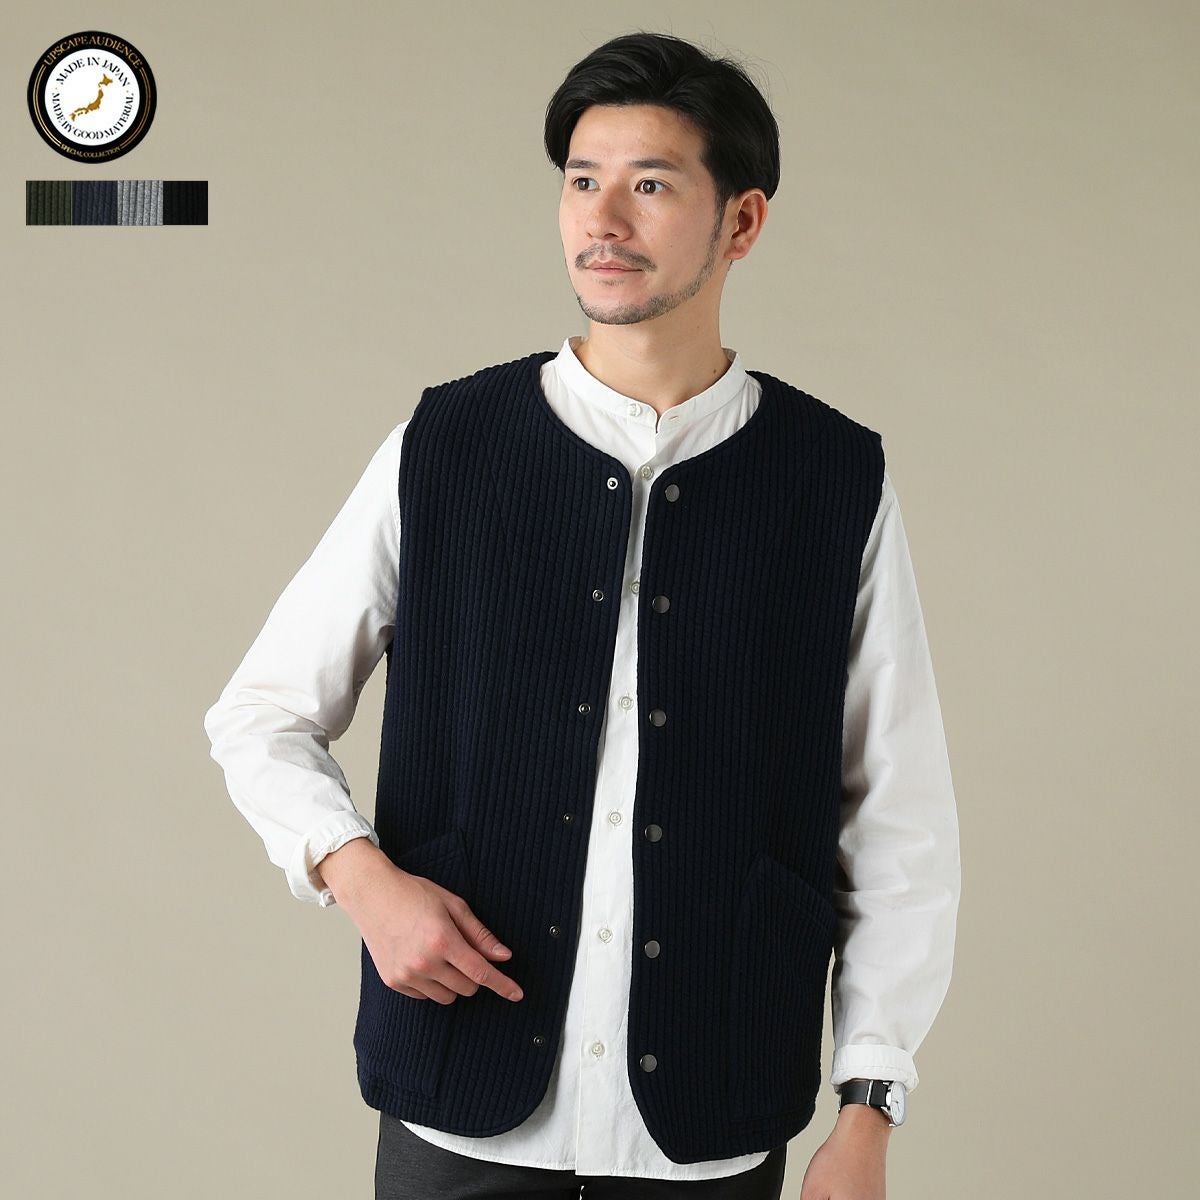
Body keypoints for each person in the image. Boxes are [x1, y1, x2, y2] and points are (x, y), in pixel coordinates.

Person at [203, 30, 960, 1200]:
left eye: (650, 185)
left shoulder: (831, 478)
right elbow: (260, 715)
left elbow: (899, 820)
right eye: (581, 180)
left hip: (711, 1111)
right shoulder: (448, 446)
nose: (602, 218)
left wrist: (869, 1107)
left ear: (742, 222)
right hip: (458, 1107)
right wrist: (360, 879)